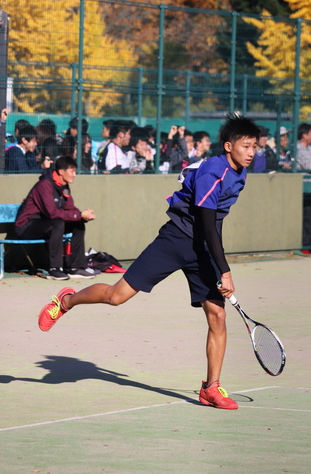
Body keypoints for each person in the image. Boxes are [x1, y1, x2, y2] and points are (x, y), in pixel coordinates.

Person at [37, 113, 260, 410]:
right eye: (246, 146)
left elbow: (216, 223)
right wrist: (226, 271)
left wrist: (216, 266)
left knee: (217, 316)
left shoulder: (240, 172)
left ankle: (211, 388)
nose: (252, 152)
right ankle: (67, 301)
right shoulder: (214, 172)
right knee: (117, 297)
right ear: (229, 146)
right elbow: (207, 225)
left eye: (255, 147)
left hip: (202, 249)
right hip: (175, 241)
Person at [15, 156, 96, 280]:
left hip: (46, 224)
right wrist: (78, 215)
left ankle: (77, 268)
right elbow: (52, 213)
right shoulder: (44, 185)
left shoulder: (64, 186)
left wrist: (82, 216)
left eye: (75, 171)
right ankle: (55, 269)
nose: (75, 175)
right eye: (72, 171)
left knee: (78, 224)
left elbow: (70, 209)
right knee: (57, 223)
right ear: (61, 172)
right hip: (26, 226)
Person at [296, 123, 311, 255]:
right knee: (305, 218)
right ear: (304, 135)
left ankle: (308, 246)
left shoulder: (310, 149)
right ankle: (303, 247)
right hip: (303, 189)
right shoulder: (298, 149)